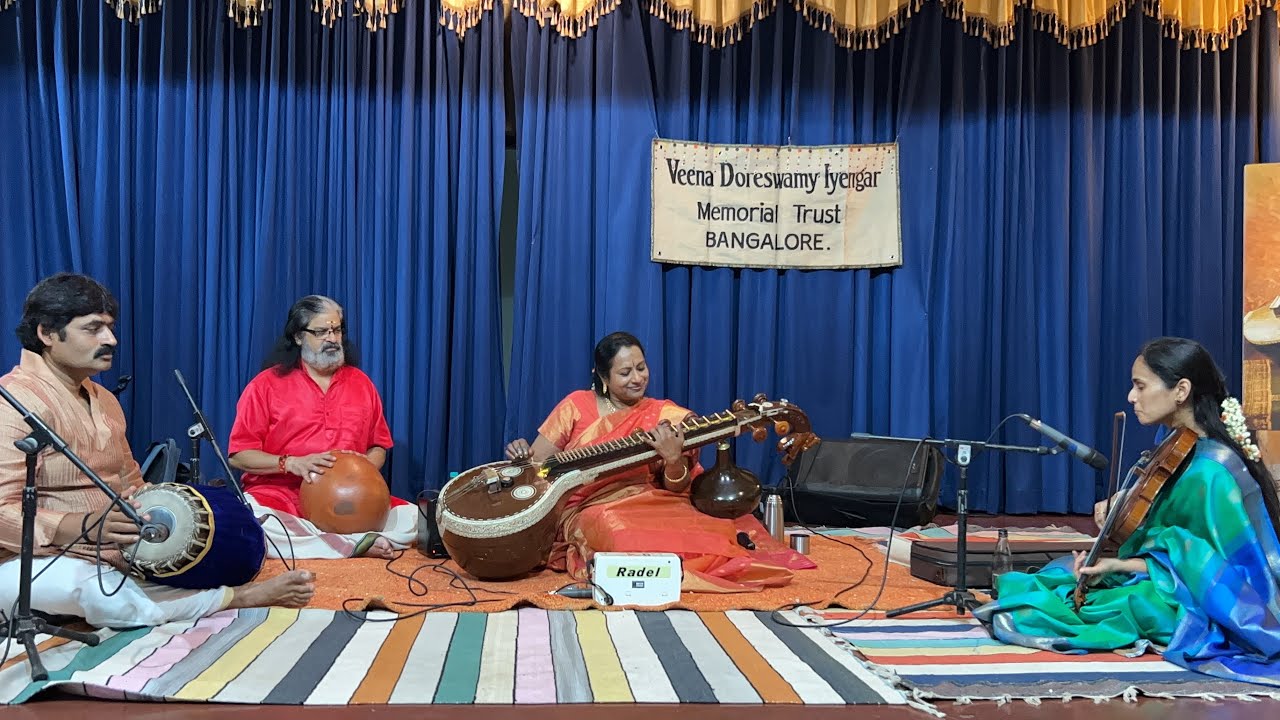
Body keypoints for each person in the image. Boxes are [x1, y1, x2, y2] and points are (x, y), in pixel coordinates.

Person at [0, 273, 314, 628]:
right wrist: (81, 527)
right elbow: (2, 511)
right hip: (31, 558)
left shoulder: (102, 399)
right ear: (46, 333)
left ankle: (173, 592)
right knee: (88, 591)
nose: (111, 339)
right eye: (93, 329)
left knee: (239, 526)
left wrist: (163, 513)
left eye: (110, 327)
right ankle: (235, 598)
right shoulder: (12, 402)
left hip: (116, 546)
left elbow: (130, 480)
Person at [974, 337, 1280, 686]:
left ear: (1181, 390)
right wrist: (1123, 510)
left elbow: (1208, 566)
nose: (1131, 397)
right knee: (1053, 577)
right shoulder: (1174, 443)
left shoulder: (1212, 472)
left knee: (1099, 607)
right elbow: (1167, 538)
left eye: (1140, 386)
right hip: (1170, 578)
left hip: (1210, 599)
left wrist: (1120, 564)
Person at [505, 331, 814, 592]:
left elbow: (677, 484)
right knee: (620, 534)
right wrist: (522, 456)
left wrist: (673, 459)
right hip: (589, 507)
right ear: (602, 377)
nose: (638, 378)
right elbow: (537, 469)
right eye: (625, 373)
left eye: (641, 368)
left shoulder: (664, 414)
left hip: (650, 500)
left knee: (713, 532)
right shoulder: (575, 405)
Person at [228, 295, 415, 560]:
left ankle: (337, 543)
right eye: (321, 331)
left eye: (337, 330)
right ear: (298, 337)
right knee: (258, 523)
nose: (332, 338)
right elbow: (239, 455)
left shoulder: (361, 383)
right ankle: (353, 544)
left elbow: (379, 445)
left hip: (352, 503)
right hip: (283, 496)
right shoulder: (265, 385)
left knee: (414, 519)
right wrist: (291, 463)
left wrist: (365, 468)